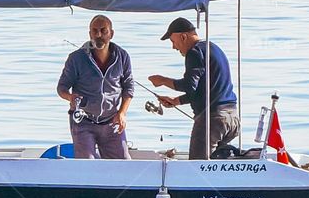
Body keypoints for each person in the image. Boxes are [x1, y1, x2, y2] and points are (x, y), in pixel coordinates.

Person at [148, 17, 240, 160]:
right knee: (213, 165)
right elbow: (201, 90)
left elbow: (189, 85)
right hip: (231, 118)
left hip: (213, 120)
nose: (174, 47)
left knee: (197, 167)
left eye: (173, 42)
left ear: (183, 37)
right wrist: (176, 101)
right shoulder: (213, 48)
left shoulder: (194, 52)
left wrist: (163, 81)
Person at [57, 15, 134, 159]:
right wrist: (70, 97)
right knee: (88, 165)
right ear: (89, 34)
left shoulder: (122, 56)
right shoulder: (76, 58)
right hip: (83, 121)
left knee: (124, 164)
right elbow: (61, 87)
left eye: (103, 31)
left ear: (111, 33)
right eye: (95, 31)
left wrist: (122, 113)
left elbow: (129, 88)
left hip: (112, 121)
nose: (98, 35)